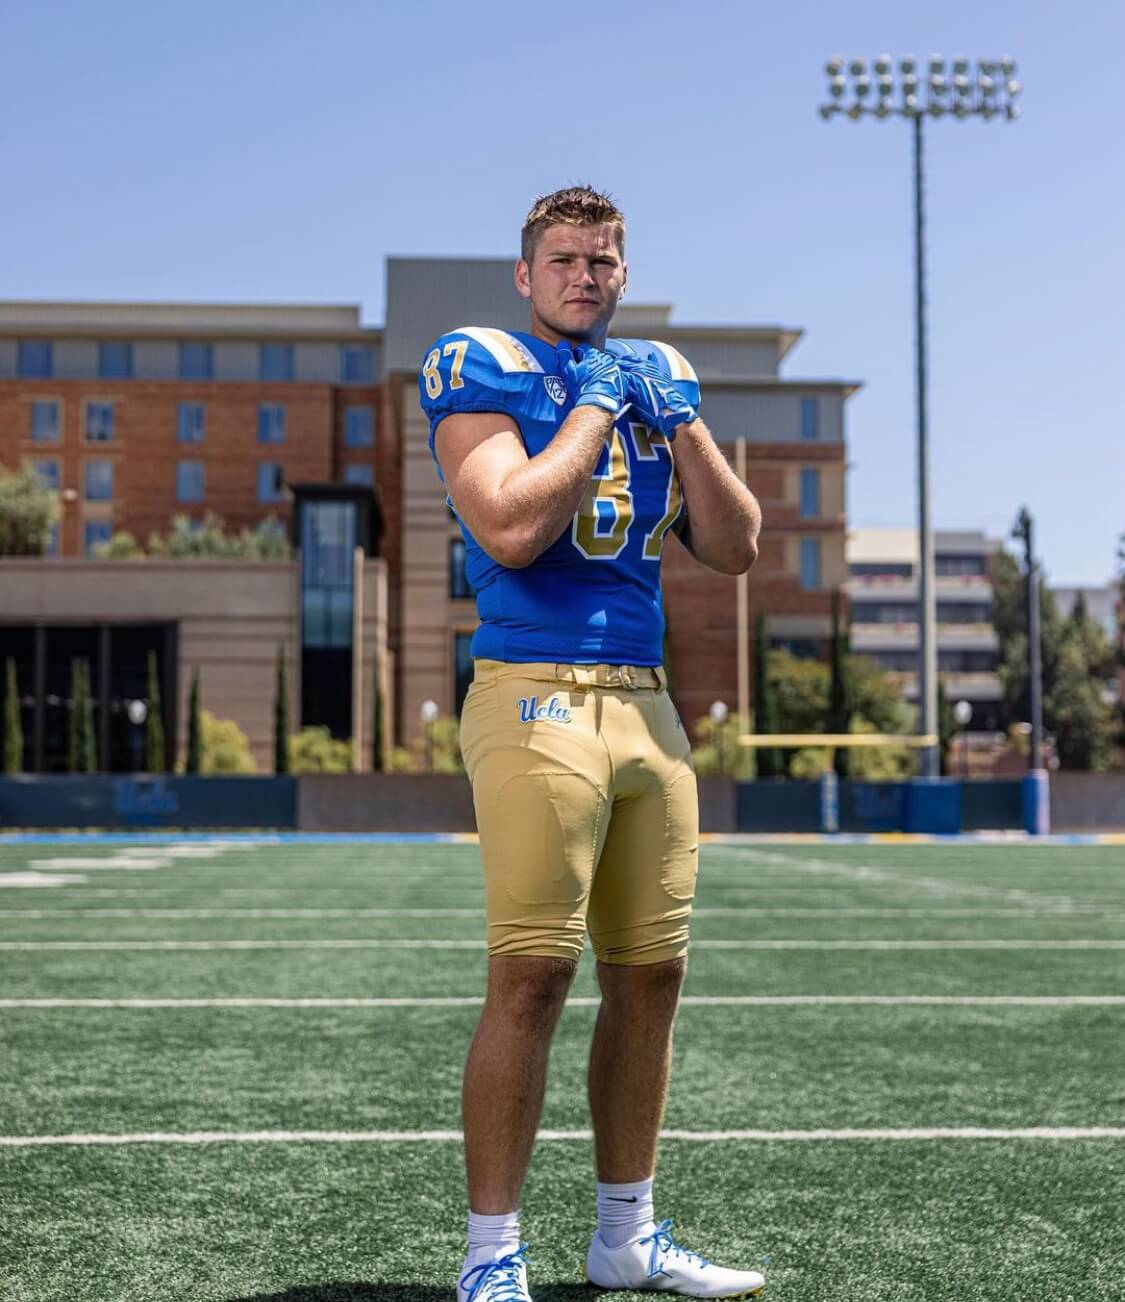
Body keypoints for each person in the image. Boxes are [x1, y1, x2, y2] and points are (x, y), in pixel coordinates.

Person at [419, 185, 764, 1302]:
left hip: (647, 701)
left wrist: (685, 422)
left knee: (654, 976)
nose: (585, 276)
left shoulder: (652, 378)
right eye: (564, 259)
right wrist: (596, 411)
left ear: (624, 272)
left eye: (603, 261)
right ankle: (491, 1254)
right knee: (532, 977)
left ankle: (628, 1236)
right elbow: (512, 523)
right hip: (534, 692)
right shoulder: (481, 366)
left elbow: (737, 546)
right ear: (526, 276)